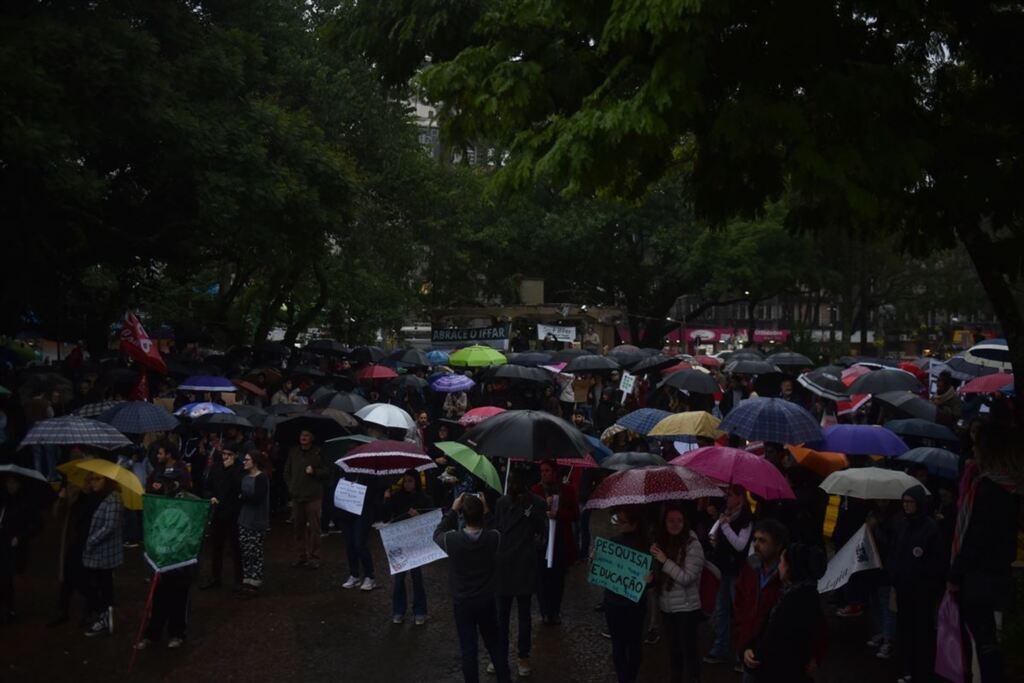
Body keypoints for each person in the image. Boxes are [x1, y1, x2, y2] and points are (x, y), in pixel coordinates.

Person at [948, 420, 1022, 683]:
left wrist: (955, 575)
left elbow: (974, 536)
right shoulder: (1012, 487)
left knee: (984, 645)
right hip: (999, 574)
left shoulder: (988, 489)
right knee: (990, 642)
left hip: (979, 579)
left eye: (976, 444)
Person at [433, 493, 510, 683]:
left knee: (468, 649)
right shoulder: (493, 538)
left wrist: (452, 510)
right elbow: (498, 530)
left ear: (463, 516)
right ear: (481, 514)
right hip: (486, 600)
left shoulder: (452, 540)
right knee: (494, 644)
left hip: (463, 601)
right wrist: (487, 510)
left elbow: (437, 534)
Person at [136, 446, 194, 649]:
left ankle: (177, 632)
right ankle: (152, 634)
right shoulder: (157, 472)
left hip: (179, 550)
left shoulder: (186, 491)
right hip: (161, 543)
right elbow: (149, 489)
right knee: (158, 594)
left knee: (178, 593)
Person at [741, 543, 826, 682]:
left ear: (791, 568)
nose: (779, 566)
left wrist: (752, 657)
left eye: (782, 562)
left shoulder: (793, 601)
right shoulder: (802, 593)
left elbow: (774, 641)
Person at [891, 484, 947, 683]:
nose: (906, 506)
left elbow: (936, 562)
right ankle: (906, 668)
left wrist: (926, 583)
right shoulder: (904, 525)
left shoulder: (930, 528)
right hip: (904, 589)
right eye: (904, 502)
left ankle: (921, 671)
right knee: (905, 630)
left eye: (910, 502)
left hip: (922, 592)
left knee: (921, 632)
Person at [493, 472, 546, 677]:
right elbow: (498, 527)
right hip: (503, 566)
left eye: (517, 482)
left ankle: (523, 656)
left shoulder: (537, 503)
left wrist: (528, 510)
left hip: (524, 565)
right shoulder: (501, 502)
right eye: (511, 482)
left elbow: (540, 529)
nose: (513, 486)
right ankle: (499, 655)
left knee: (524, 616)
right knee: (501, 616)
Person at [650, 506, 705, 683]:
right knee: (673, 653)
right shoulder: (662, 543)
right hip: (667, 608)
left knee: (688, 652)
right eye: (670, 520)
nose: (674, 524)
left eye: (679, 520)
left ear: (685, 522)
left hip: (687, 609)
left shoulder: (693, 545)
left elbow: (687, 578)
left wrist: (665, 561)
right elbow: (659, 577)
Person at [602, 506, 654, 683]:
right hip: (614, 602)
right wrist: (596, 560)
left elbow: (654, 576)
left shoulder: (647, 546)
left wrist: (651, 579)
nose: (619, 524)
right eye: (618, 520)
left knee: (632, 644)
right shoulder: (614, 541)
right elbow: (604, 570)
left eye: (623, 521)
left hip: (632, 604)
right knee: (619, 644)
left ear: (635, 523)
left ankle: (628, 678)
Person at [704, 484, 753, 667]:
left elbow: (740, 545)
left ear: (740, 497)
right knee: (722, 610)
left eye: (730, 495)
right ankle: (720, 647)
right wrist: (717, 542)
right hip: (723, 569)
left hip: (737, 572)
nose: (726, 498)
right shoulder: (727, 513)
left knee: (739, 611)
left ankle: (742, 652)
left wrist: (724, 526)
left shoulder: (746, 518)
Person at [732, 519, 789, 675]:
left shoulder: (787, 577)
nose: (756, 544)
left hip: (776, 658)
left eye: (762, 541)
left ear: (778, 546)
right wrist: (742, 645)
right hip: (749, 652)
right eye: (755, 539)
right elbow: (739, 608)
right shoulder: (750, 569)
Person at [530, 460, 578, 625]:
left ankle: (555, 611)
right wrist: (545, 509)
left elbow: (574, 514)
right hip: (542, 541)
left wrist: (558, 514)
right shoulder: (535, 491)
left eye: (547, 470)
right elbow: (531, 516)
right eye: (542, 471)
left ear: (555, 472)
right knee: (542, 578)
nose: (544, 474)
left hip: (560, 541)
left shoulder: (567, 490)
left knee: (558, 579)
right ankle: (545, 611)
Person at [383, 469, 430, 624]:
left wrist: (419, 516)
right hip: (400, 542)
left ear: (416, 482)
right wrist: (387, 500)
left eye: (411, 481)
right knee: (399, 578)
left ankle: (420, 611)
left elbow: (431, 518)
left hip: (416, 542)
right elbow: (386, 517)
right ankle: (398, 610)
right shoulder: (396, 497)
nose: (407, 484)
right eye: (406, 480)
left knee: (417, 577)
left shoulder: (423, 498)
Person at [81, 473, 123, 637]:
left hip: (104, 551)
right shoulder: (94, 496)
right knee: (94, 582)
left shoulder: (113, 498)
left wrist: (91, 540)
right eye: (92, 479)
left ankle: (105, 615)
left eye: (98, 479)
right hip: (93, 550)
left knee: (103, 584)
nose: (94, 482)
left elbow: (110, 526)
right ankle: (104, 612)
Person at [284, 430, 329, 569]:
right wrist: (291, 487)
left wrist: (315, 471)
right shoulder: (293, 452)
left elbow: (327, 471)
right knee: (298, 527)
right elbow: (287, 471)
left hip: (313, 496)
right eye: (301, 435)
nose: (303, 438)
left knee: (314, 528)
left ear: (312, 438)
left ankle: (315, 557)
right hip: (297, 495)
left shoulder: (318, 452)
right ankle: (301, 556)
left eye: (307, 435)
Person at [0, 473, 42, 622]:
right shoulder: (3, 499)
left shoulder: (26, 502)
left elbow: (36, 524)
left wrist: (20, 536)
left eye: (14, 483)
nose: (10, 486)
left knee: (6, 577)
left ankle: (9, 608)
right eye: (8, 483)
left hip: (12, 545)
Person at [201, 447, 244, 590]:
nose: (226, 457)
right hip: (218, 513)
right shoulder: (216, 467)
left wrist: (230, 470)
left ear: (236, 455)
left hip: (234, 513)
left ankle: (239, 579)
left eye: (229, 454)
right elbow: (207, 486)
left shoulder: (239, 469)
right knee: (216, 547)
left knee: (236, 547)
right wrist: (210, 496)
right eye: (224, 454)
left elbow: (239, 487)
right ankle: (215, 577)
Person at [238, 450, 270, 594]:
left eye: (247, 459)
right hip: (244, 518)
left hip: (257, 520)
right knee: (245, 550)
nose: (244, 462)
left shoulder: (262, 478)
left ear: (255, 462)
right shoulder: (245, 478)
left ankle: (255, 580)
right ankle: (247, 578)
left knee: (255, 551)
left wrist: (243, 497)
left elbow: (257, 498)